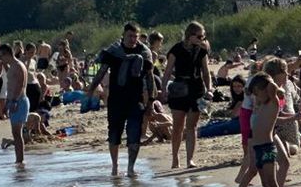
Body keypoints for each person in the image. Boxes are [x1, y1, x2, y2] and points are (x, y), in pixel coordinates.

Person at [88, 23, 155, 178]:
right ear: (123, 35)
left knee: (134, 135)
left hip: (135, 99)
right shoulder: (114, 51)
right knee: (114, 134)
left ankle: (131, 167)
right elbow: (102, 71)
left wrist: (150, 101)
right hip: (116, 99)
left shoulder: (144, 52)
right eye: (130, 36)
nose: (132, 39)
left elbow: (149, 77)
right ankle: (115, 166)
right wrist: (91, 89)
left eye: (135, 36)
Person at [159, 21, 213, 169]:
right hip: (179, 88)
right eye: (200, 36)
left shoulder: (201, 50)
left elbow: (206, 71)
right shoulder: (176, 49)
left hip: (196, 88)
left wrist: (210, 88)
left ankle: (190, 159)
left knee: (192, 126)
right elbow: (168, 71)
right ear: (190, 35)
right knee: (177, 126)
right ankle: (175, 158)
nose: (202, 39)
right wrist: (163, 88)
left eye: (203, 36)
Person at [232, 74, 282, 187]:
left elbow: (273, 87)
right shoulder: (260, 105)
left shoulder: (273, 103)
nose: (256, 98)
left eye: (258, 94)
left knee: (272, 181)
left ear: (266, 90)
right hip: (257, 147)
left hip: (267, 147)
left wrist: (266, 79)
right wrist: (253, 89)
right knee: (265, 183)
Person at [0, 44, 30, 166]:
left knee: (17, 133)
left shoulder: (18, 65)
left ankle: (20, 160)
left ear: (7, 54)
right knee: (15, 133)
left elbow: (21, 85)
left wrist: (15, 101)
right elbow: (11, 83)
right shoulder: (12, 66)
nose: (0, 59)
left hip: (20, 101)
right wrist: (7, 103)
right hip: (13, 100)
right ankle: (18, 159)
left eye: (1, 56)